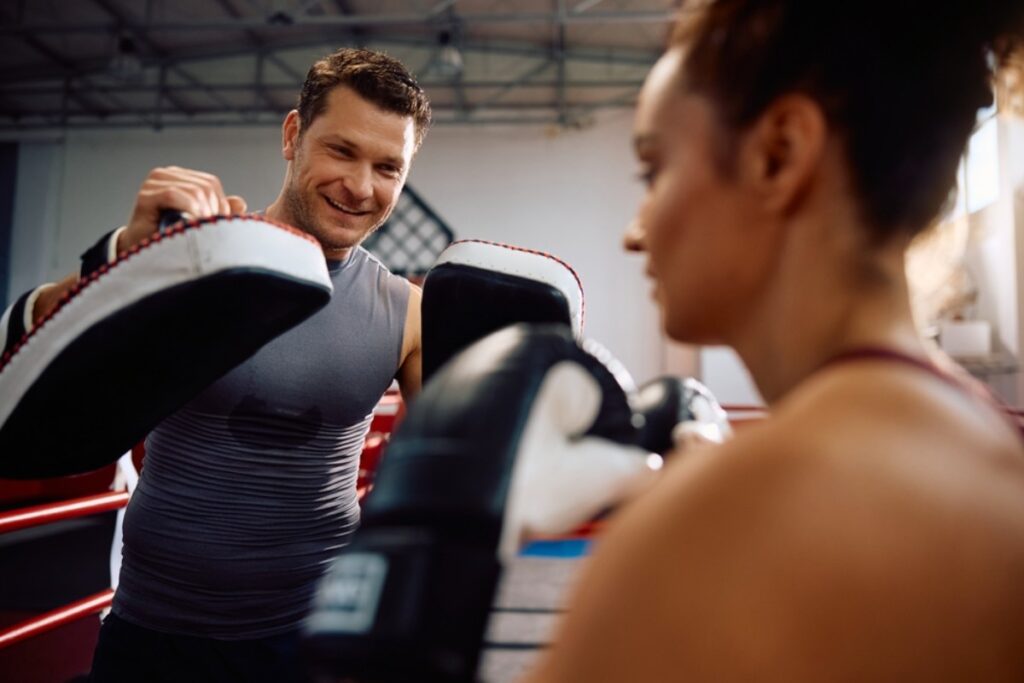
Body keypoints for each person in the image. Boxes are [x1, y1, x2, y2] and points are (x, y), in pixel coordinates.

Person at [518, 1, 1024, 680]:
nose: (634, 233)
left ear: (778, 155)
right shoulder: (991, 452)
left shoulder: (715, 531)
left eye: (653, 172)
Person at [29, 48, 435, 682]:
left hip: (310, 637)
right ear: (293, 135)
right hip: (152, 631)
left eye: (388, 167)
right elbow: (36, 352)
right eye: (341, 151)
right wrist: (123, 257)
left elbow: (458, 470)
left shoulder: (407, 313)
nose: (361, 187)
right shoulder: (195, 263)